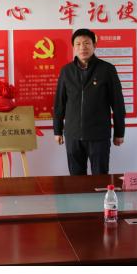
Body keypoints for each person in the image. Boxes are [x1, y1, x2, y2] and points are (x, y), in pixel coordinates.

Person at [52, 27, 126, 175]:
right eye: (78, 44)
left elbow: (117, 103)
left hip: (99, 135)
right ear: (73, 47)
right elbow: (59, 103)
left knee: (100, 177)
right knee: (76, 178)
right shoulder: (66, 71)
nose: (82, 47)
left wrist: (119, 132)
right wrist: (57, 130)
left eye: (86, 43)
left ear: (94, 46)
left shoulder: (107, 69)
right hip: (73, 135)